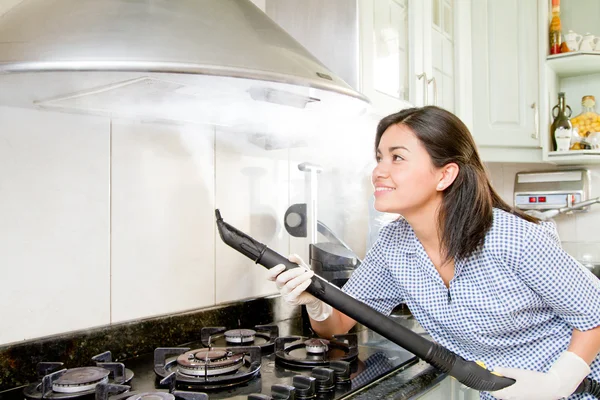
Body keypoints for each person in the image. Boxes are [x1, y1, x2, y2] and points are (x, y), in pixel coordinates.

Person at [267, 106, 600, 400]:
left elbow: (595, 314)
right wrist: (316, 300)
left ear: (445, 174)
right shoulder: (393, 245)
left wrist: (559, 382)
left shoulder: (511, 238)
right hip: (502, 393)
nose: (379, 171)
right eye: (379, 158)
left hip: (580, 387)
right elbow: (339, 323)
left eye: (397, 157)